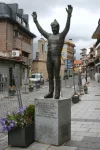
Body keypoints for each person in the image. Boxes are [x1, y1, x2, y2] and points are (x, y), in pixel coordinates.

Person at [32, 5, 73, 99]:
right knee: (50, 76)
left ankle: (57, 93)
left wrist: (69, 16)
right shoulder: (49, 36)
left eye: (55, 27)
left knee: (56, 76)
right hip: (49, 58)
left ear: (58, 27)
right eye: (52, 28)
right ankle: (50, 92)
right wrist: (35, 21)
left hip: (56, 58)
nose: (53, 29)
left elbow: (67, 27)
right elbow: (41, 30)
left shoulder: (61, 35)